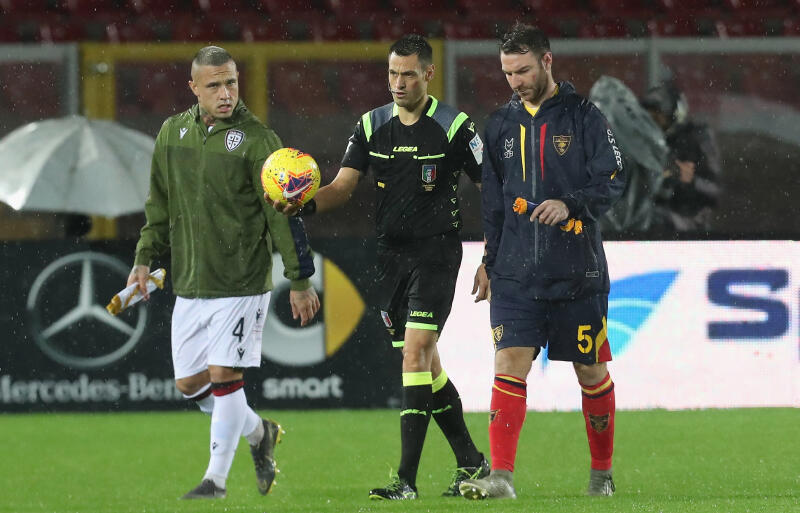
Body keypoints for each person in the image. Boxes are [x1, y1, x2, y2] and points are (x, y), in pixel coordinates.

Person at [271, 34, 489, 500]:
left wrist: (490, 257)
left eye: (408, 73)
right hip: (390, 257)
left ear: (428, 74)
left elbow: (491, 191)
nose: (398, 82)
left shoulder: (455, 128)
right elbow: (341, 187)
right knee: (425, 365)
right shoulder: (371, 126)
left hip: (437, 254)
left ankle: (406, 482)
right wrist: (303, 204)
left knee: (414, 355)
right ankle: (471, 461)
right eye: (392, 73)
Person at [128, 45, 320, 500]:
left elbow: (283, 215)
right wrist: (143, 259)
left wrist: (298, 278)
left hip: (240, 282)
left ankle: (214, 481)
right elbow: (159, 205)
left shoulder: (258, 140)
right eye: (213, 85)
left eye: (231, 82)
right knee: (191, 385)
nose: (225, 92)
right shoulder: (172, 133)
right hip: (190, 283)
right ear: (193, 87)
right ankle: (260, 433)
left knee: (223, 378)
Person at [459, 23, 626, 499]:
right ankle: (502, 478)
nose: (515, 81)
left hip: (577, 272)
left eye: (524, 70)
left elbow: (614, 178)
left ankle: (601, 474)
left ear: (547, 62)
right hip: (515, 272)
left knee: (590, 372)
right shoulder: (498, 126)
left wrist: (572, 203)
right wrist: (489, 259)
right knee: (508, 363)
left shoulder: (585, 117)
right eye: (508, 72)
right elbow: (492, 202)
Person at [641, 80, 721, 232]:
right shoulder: (641, 142)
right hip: (647, 218)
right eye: (648, 119)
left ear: (675, 114)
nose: (653, 125)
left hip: (689, 224)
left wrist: (688, 181)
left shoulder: (697, 139)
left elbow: (714, 191)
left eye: (658, 119)